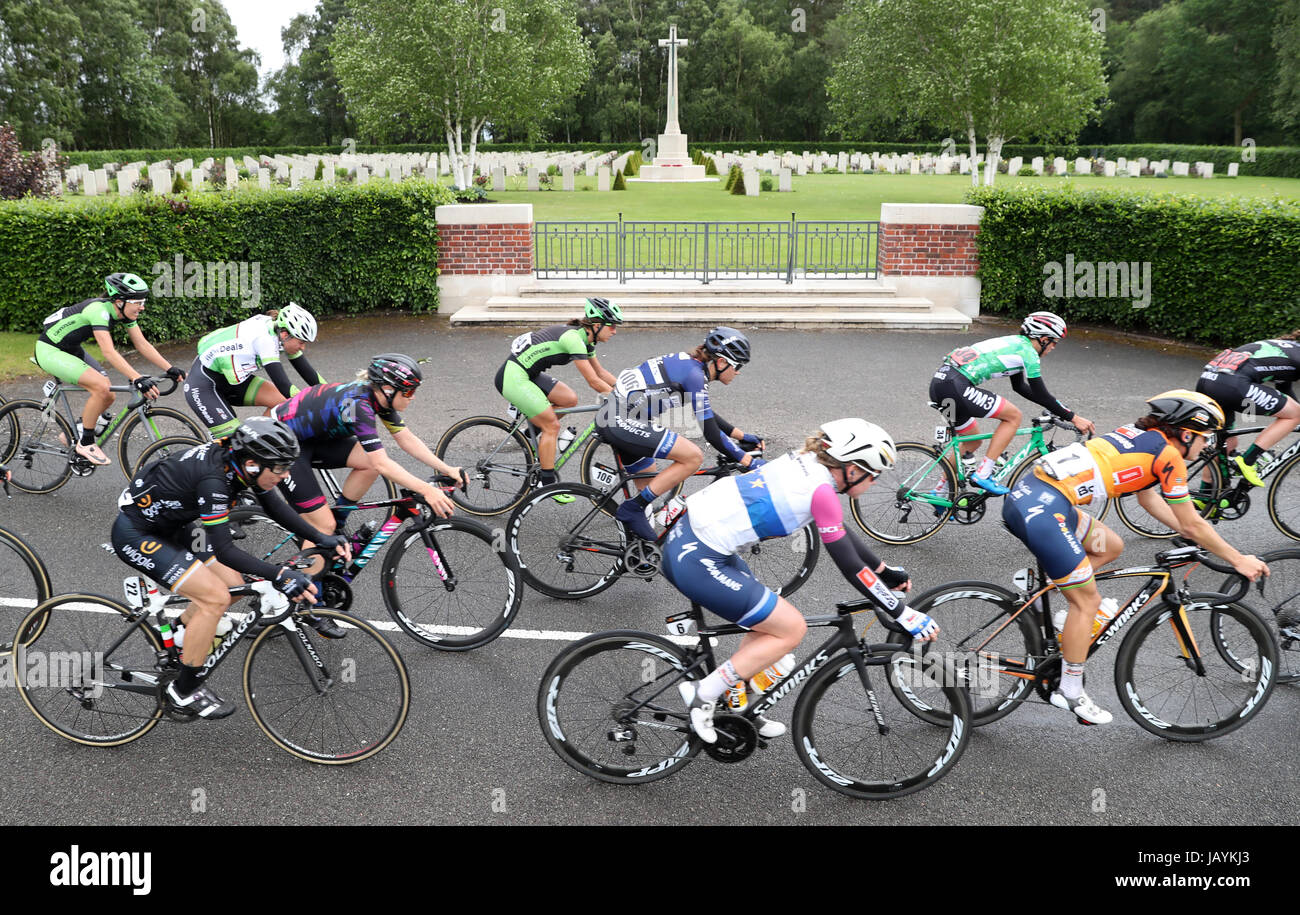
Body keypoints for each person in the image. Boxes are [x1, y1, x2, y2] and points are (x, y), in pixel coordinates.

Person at [1000, 390, 1268, 725]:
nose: (1207, 446)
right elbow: (1192, 522)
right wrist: (1238, 558)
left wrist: (1188, 533)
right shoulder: (1170, 456)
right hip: (1044, 512)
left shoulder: (1144, 436)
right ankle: (1069, 690)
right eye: (1205, 437)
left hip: (1034, 498)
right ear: (1186, 433)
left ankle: (1039, 592)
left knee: (1109, 545)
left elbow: (1149, 499)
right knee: (1087, 603)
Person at [662, 419, 940, 742]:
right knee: (791, 628)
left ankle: (738, 705)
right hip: (698, 558)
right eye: (873, 475)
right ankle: (701, 693)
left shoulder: (808, 463)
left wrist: (883, 570)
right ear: (851, 469)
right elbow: (850, 566)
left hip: (694, 540)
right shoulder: (821, 491)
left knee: (765, 624)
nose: (874, 483)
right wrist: (902, 613)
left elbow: (835, 525)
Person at [111, 417, 350, 719]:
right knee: (215, 598)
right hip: (138, 534)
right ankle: (182, 692)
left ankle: (178, 636)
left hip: (173, 525)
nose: (285, 474)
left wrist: (321, 538)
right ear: (253, 464)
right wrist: (279, 574)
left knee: (232, 587)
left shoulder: (242, 466)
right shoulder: (214, 482)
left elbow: (275, 507)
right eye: (279, 468)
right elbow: (225, 550)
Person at [271, 354, 462, 633]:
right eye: (408, 391)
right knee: (322, 527)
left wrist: (448, 468)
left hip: (310, 438)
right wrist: (425, 489)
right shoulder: (360, 405)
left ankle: (338, 524)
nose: (413, 397)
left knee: (367, 466)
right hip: (283, 444)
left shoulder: (378, 399)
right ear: (388, 388)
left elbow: (405, 439)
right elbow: (383, 461)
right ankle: (309, 605)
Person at [601, 326, 764, 540]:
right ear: (722, 362)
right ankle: (632, 509)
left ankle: (637, 552)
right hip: (622, 421)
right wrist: (748, 462)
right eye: (738, 365)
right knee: (693, 456)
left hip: (617, 416)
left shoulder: (691, 366)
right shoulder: (694, 375)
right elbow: (711, 433)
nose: (739, 371)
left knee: (648, 497)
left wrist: (741, 436)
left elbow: (705, 413)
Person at [929, 311, 1094, 495]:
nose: (1054, 347)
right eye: (1054, 342)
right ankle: (983, 474)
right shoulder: (1028, 353)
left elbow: (1020, 387)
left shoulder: (1014, 343)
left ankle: (939, 491)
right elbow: (1042, 393)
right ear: (1044, 339)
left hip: (940, 383)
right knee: (1013, 416)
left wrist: (1056, 408)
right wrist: (1073, 417)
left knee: (971, 441)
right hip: (956, 386)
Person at [35, 272, 185, 466]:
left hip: (72, 349)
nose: (142, 306)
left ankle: (73, 434)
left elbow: (141, 343)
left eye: (143, 301)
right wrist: (137, 377)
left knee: (108, 395)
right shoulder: (98, 310)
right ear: (120, 301)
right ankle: (86, 443)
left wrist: (170, 367)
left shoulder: (124, 313)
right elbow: (108, 351)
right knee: (101, 386)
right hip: (50, 350)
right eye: (138, 302)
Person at [495, 297, 622, 485]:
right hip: (513, 376)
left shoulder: (587, 340)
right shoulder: (574, 339)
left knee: (569, 399)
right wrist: (620, 399)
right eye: (611, 325)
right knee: (551, 426)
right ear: (596, 325)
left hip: (529, 373)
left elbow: (600, 372)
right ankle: (546, 483)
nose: (615, 331)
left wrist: (626, 388)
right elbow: (594, 381)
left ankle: (529, 433)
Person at [185, 302, 325, 438]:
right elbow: (283, 384)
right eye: (301, 342)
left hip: (233, 381)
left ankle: (257, 440)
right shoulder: (265, 340)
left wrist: (332, 391)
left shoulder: (278, 331)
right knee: (233, 445)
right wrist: (309, 403)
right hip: (204, 385)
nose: (303, 347)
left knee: (283, 404)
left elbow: (307, 371)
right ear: (285, 334)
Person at [1194, 336, 1300, 486]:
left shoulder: (1288, 348)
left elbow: (1285, 388)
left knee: (1227, 443)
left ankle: (1205, 496)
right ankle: (1248, 462)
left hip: (1207, 381)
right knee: (1295, 414)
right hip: (1231, 384)